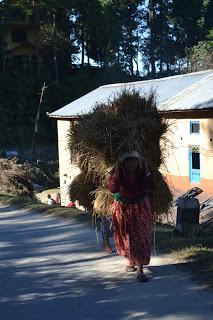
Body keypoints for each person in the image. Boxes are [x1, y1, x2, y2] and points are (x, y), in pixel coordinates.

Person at [108, 151, 154, 282]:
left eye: (134, 160)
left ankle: (140, 269)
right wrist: (116, 174)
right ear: (123, 162)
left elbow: (151, 186)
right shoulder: (119, 172)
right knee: (125, 235)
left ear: (138, 161)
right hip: (123, 207)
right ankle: (130, 259)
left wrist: (148, 173)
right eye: (128, 160)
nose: (131, 163)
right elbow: (112, 189)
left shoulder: (143, 170)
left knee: (141, 236)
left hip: (140, 206)